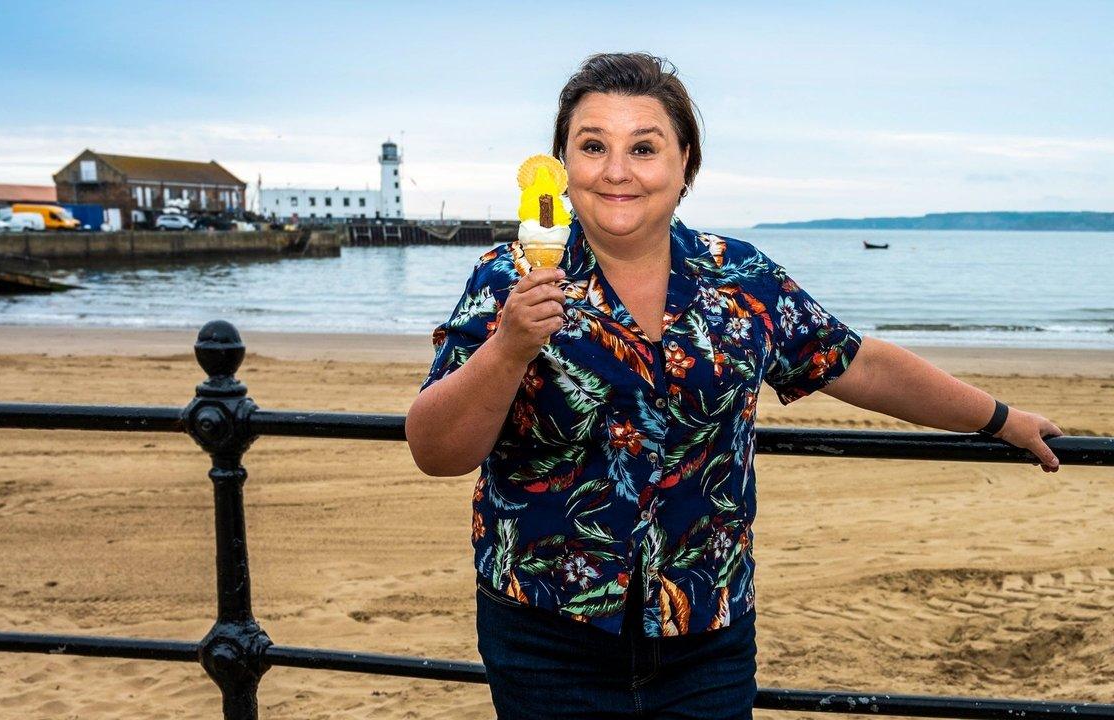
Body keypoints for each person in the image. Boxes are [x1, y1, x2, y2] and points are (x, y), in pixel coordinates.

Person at [404, 52, 1064, 720]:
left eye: (644, 148)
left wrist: (1001, 418)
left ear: (685, 162)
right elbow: (436, 449)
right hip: (545, 633)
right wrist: (510, 346)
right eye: (593, 146)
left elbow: (858, 365)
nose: (616, 171)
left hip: (705, 634)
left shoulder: (741, 279)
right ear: (561, 165)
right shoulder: (506, 278)